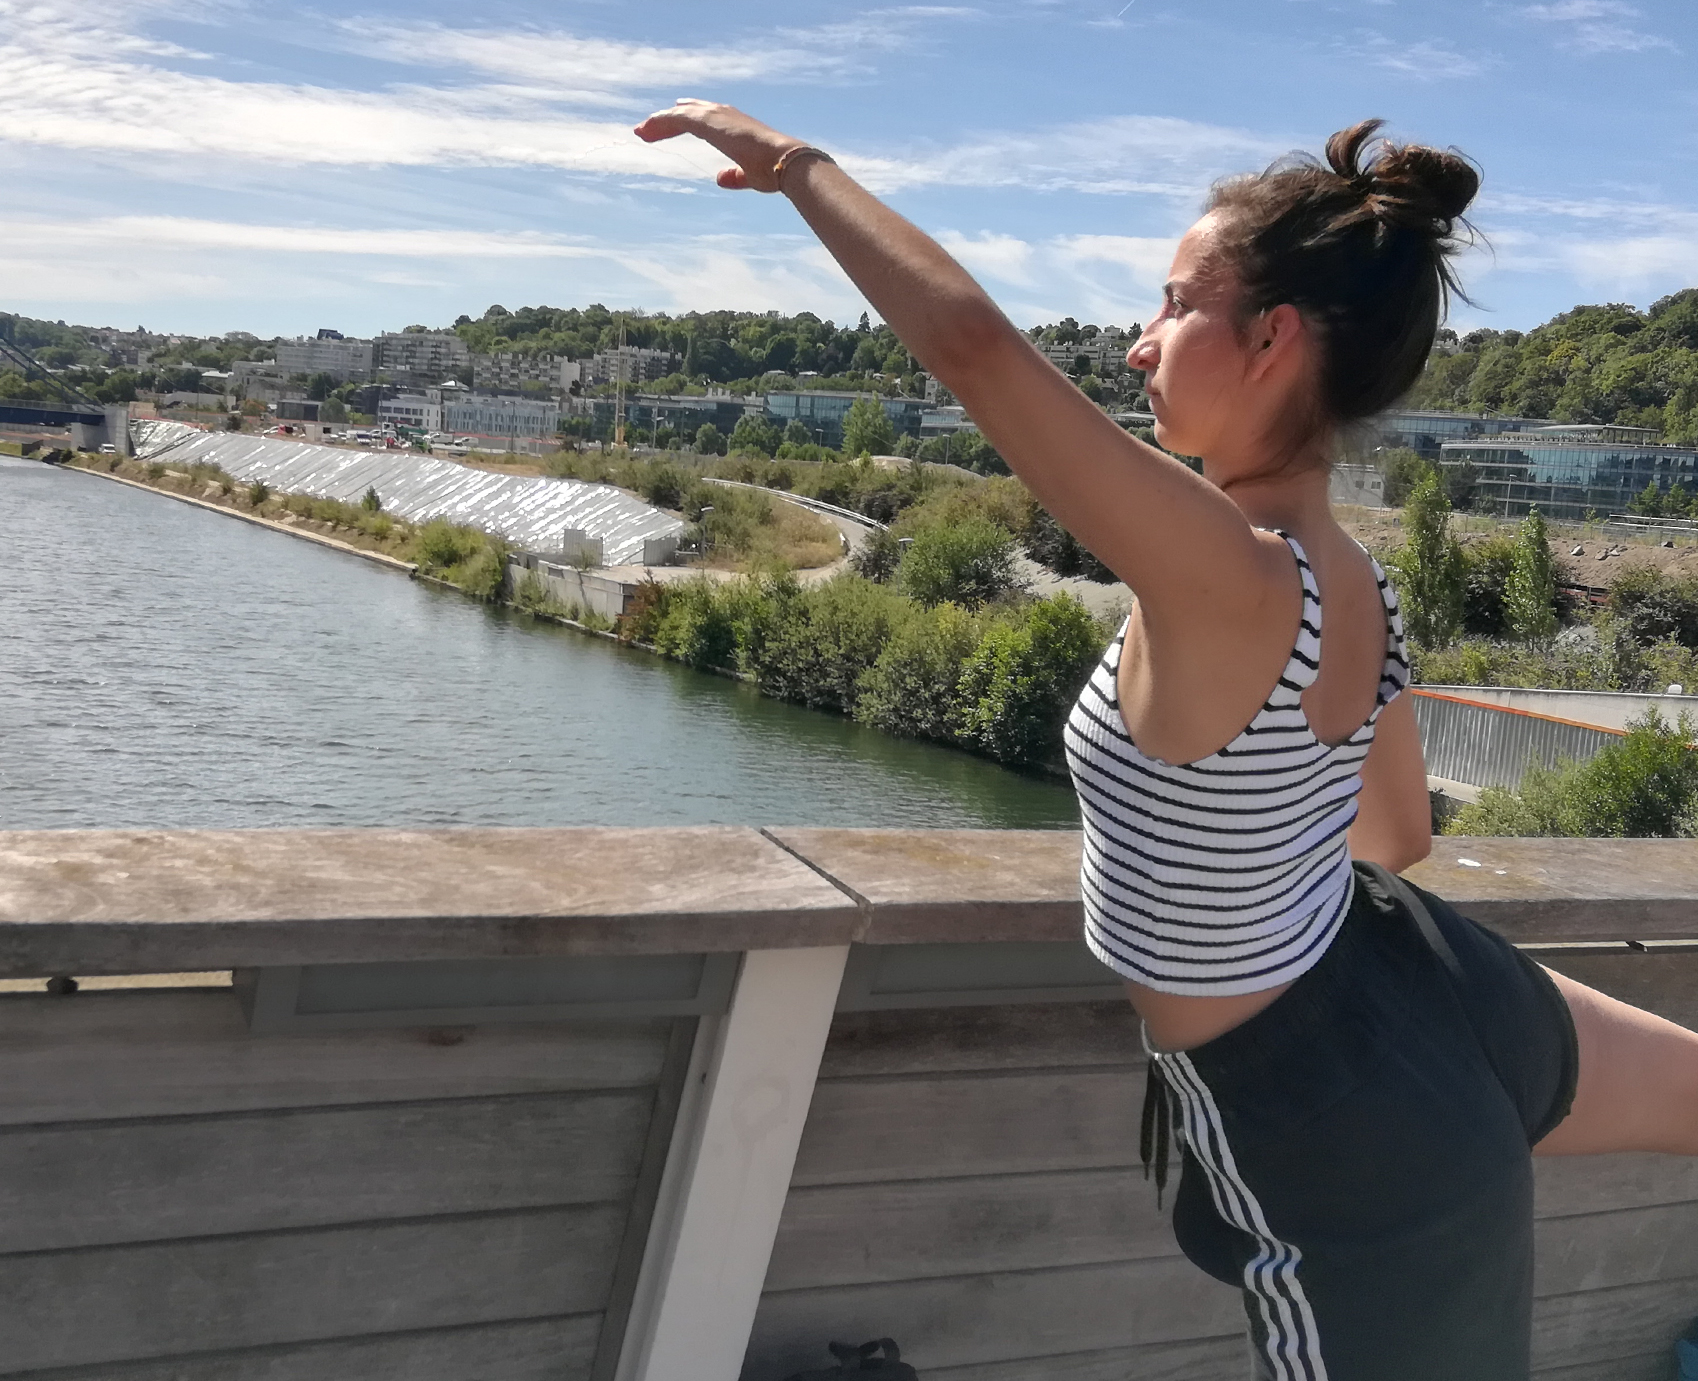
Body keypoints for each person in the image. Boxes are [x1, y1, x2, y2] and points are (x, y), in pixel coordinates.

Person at [636, 100, 1698, 1378]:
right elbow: (1396, 834)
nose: (1138, 345)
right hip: (1415, 981)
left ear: (1269, 338)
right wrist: (1239, 850)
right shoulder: (1352, 580)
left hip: (1333, 1113)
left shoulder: (1229, 580)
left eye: (1170, 305)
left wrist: (798, 167)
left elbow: (973, 349)